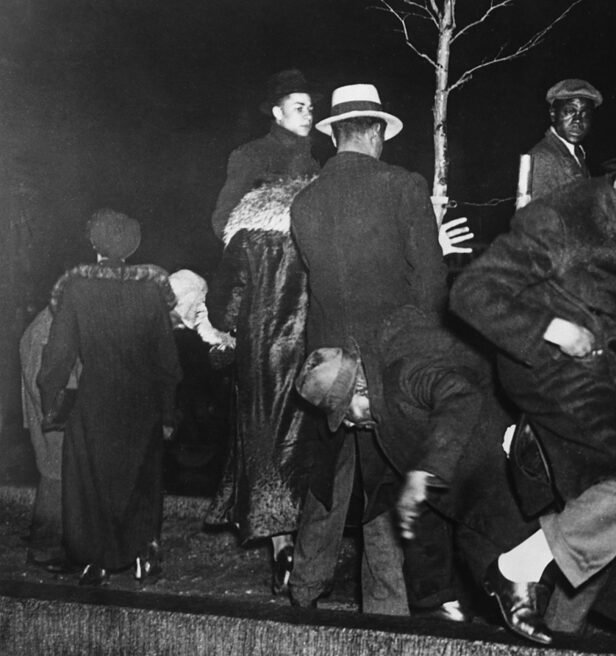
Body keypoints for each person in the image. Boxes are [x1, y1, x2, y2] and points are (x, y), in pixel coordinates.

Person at [449, 105, 616, 645]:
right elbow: (471, 293)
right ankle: (516, 568)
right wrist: (552, 328)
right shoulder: (562, 217)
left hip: (588, 371)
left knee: (601, 516)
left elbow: (608, 307)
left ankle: (555, 630)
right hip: (544, 369)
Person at [289, 83, 448, 614]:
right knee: (385, 487)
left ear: (334, 134)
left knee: (326, 483)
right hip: (389, 366)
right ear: (377, 132)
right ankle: (385, 612)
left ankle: (303, 589)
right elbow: (430, 287)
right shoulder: (404, 186)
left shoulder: (305, 202)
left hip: (328, 370)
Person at [293, 306, 539, 621]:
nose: (348, 426)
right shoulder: (382, 395)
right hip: (475, 490)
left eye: (345, 413)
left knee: (526, 585)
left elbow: (461, 393)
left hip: (507, 472)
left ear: (359, 390)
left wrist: (426, 472)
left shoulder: (402, 375)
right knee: (492, 581)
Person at [37, 209, 182, 586]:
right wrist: (168, 412)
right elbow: (168, 360)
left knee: (93, 480)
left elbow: (58, 356)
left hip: (95, 400)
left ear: (94, 243)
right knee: (141, 480)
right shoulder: (151, 290)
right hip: (142, 403)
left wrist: (50, 402)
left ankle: (94, 561)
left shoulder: (76, 288)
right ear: (132, 245)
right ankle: (143, 557)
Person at [204, 178, 317, 595]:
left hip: (262, 365)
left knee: (267, 454)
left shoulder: (246, 239)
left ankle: (281, 549)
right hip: (312, 357)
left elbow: (225, 310)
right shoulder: (313, 226)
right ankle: (307, 551)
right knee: (307, 453)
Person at [210, 69, 321, 240]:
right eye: (299, 108)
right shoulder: (251, 155)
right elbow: (223, 220)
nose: (308, 116)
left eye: (310, 109)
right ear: (278, 113)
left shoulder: (313, 161)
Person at [19, 304, 78, 570]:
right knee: (55, 476)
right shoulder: (46, 328)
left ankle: (49, 541)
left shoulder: (54, 323)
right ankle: (45, 548)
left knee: (59, 477)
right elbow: (42, 382)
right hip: (53, 420)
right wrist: (64, 416)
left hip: (55, 416)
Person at [525, 78, 602, 201]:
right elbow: (540, 218)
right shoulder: (542, 157)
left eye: (585, 113)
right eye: (570, 111)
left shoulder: (577, 153)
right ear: (553, 114)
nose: (578, 120)